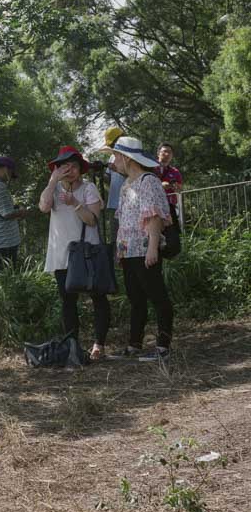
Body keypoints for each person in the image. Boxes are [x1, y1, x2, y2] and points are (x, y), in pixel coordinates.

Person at [100, 135, 174, 361]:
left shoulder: (148, 181)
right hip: (129, 251)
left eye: (115, 156)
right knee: (136, 298)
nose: (113, 160)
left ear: (126, 158)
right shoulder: (126, 185)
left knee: (157, 296)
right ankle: (134, 345)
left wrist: (152, 247)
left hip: (144, 249)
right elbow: (123, 220)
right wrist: (119, 252)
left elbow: (154, 217)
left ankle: (163, 348)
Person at [39, 146, 109, 361]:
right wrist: (52, 182)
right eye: (63, 165)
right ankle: (73, 347)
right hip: (61, 254)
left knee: (98, 297)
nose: (68, 169)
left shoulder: (88, 189)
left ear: (80, 168)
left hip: (88, 252)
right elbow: (43, 207)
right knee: (68, 301)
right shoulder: (54, 189)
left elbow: (92, 220)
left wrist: (75, 203)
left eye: (73, 165)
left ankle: (99, 344)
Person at [156, 142, 183, 210]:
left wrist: (176, 187)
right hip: (155, 205)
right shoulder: (150, 168)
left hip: (170, 206)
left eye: (170, 152)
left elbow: (180, 189)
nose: (167, 154)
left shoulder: (175, 172)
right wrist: (160, 185)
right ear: (158, 153)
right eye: (164, 151)